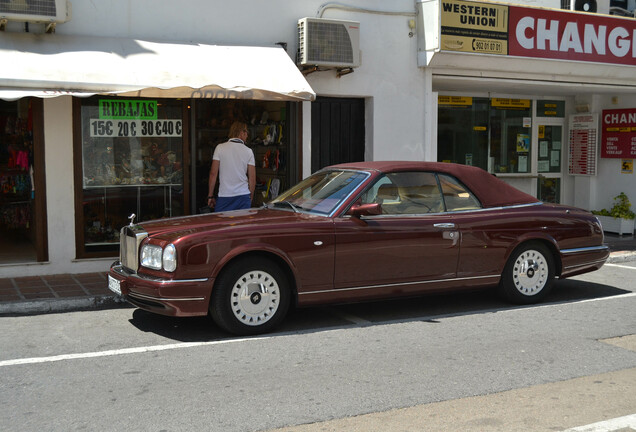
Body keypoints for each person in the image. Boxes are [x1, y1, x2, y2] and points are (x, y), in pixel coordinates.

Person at [207, 121, 256, 212]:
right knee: (242, 225)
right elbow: (252, 179)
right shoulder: (248, 151)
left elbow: (213, 174)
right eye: (246, 132)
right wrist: (250, 198)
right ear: (241, 133)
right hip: (243, 196)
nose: (247, 135)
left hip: (225, 196)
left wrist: (210, 196)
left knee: (222, 224)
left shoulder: (220, 148)